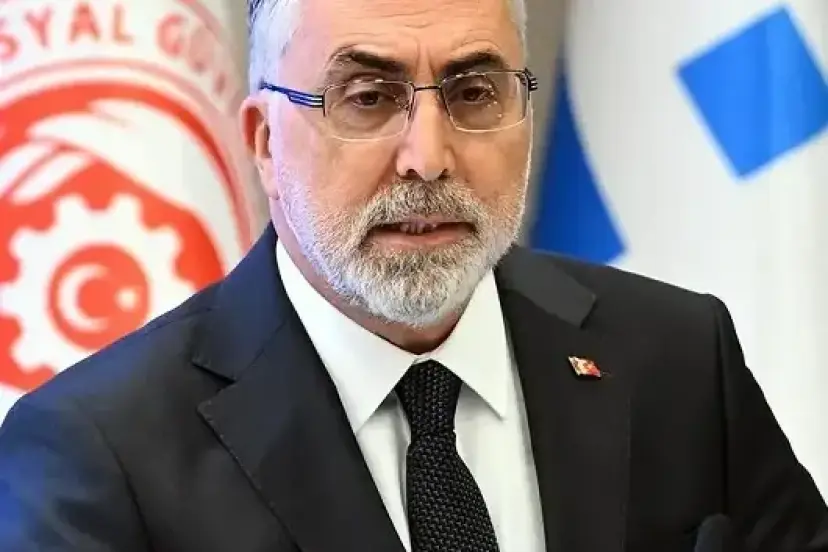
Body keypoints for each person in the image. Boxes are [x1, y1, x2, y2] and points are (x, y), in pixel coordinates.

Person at [0, 0, 826, 550]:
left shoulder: (677, 357)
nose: (428, 157)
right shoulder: (97, 454)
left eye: (474, 93)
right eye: (367, 98)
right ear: (264, 142)